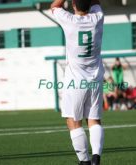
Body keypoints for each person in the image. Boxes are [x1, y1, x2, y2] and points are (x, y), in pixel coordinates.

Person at [51, 0, 104, 164]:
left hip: (75, 81)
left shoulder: (70, 21)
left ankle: (85, 161)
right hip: (95, 78)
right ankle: (96, 157)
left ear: (73, 4)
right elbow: (96, 3)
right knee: (94, 120)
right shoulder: (98, 17)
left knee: (74, 121)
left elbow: (54, 6)